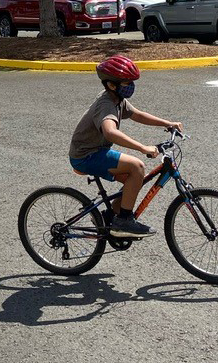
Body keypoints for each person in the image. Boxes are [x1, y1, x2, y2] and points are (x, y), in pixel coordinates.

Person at [68, 55, 182, 239]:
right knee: (137, 167)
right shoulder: (106, 104)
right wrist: (143, 148)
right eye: (126, 82)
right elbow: (110, 132)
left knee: (135, 179)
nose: (131, 85)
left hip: (97, 151)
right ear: (111, 85)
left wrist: (167, 123)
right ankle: (124, 221)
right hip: (85, 155)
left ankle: (112, 218)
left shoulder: (117, 98)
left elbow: (137, 115)